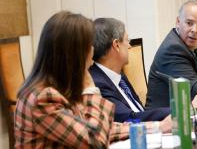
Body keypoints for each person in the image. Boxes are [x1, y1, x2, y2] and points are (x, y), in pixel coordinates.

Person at [14, 11, 129, 148]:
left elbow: (97, 129)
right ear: (75, 53)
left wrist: (155, 127)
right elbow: (95, 141)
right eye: (89, 45)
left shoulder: (60, 87)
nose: (93, 51)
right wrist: (90, 89)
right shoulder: (44, 98)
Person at [89, 18, 197, 123]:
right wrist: (186, 109)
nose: (129, 46)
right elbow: (130, 118)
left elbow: (141, 111)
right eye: (127, 40)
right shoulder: (97, 83)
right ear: (116, 45)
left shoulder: (119, 76)